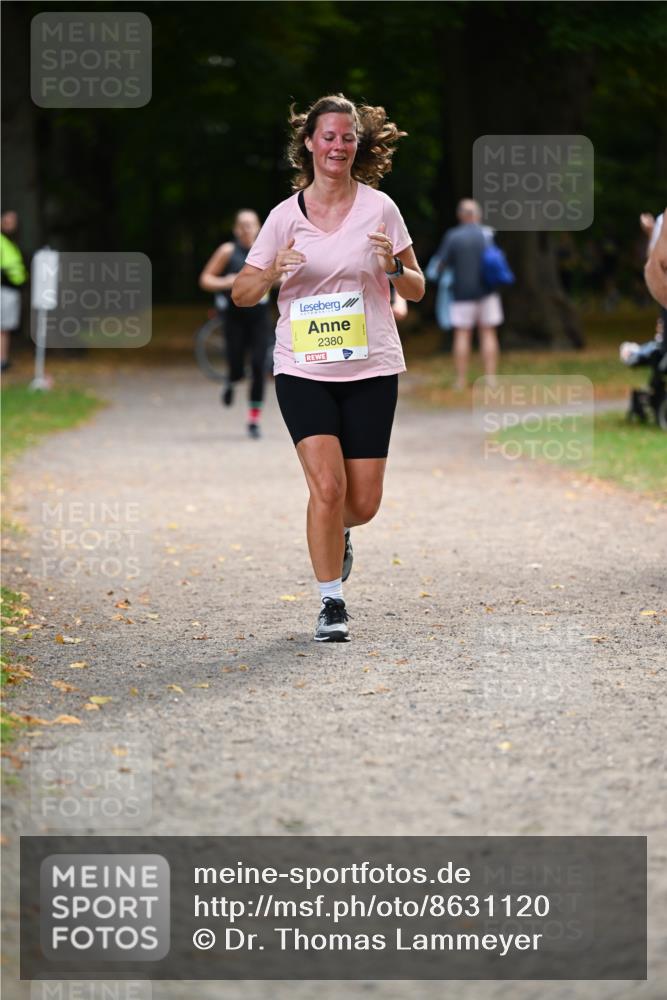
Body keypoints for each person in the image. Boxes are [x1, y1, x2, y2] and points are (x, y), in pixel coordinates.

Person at [232, 93, 424, 641]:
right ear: (310, 143)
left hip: (370, 367)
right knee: (327, 487)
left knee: (361, 503)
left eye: (347, 137)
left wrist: (392, 268)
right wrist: (271, 271)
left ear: (356, 146)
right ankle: (330, 603)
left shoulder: (381, 208)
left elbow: (418, 284)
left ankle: (338, 533)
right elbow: (243, 293)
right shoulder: (282, 218)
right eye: (328, 136)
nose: (337, 145)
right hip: (303, 368)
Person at [199, 210, 273, 438]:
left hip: (260, 318)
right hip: (234, 318)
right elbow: (205, 279)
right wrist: (226, 281)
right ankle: (232, 380)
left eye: (251, 224)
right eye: (242, 225)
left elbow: (284, 277)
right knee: (236, 365)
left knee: (260, 366)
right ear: (235, 229)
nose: (246, 229)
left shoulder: (268, 250)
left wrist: (273, 275)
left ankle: (254, 421)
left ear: (259, 227)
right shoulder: (227, 251)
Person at [436, 199, 502, 391]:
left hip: (461, 294)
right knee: (488, 333)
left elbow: (441, 264)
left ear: (460, 215)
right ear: (477, 215)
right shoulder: (487, 234)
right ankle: (490, 379)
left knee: (462, 335)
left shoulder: (453, 236)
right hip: (488, 292)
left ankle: (461, 380)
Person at [1, 210, 28, 372]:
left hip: (11, 290)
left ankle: (3, 360)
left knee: (5, 327)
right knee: (2, 327)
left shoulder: (12, 242)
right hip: (3, 289)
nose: (11, 224)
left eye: (13, 221)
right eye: (7, 221)